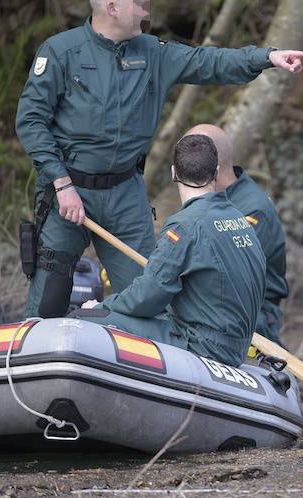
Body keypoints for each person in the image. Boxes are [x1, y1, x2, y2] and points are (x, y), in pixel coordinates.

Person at [16, 0, 303, 319]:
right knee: (49, 296)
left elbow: (209, 62)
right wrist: (61, 183)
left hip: (125, 195)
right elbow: (30, 122)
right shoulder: (61, 51)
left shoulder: (153, 53)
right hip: (67, 191)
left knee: (146, 293)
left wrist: (267, 57)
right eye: (138, 3)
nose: (145, 11)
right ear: (111, 8)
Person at [76, 134, 265, 368]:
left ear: (174, 172)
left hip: (203, 345)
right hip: (236, 345)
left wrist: (102, 307)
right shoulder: (239, 219)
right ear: (216, 171)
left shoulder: (184, 227)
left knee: (83, 319)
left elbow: (147, 297)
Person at [185, 124, 289, 344]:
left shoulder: (253, 210)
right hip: (211, 302)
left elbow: (231, 281)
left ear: (212, 163)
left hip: (250, 313)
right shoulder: (203, 194)